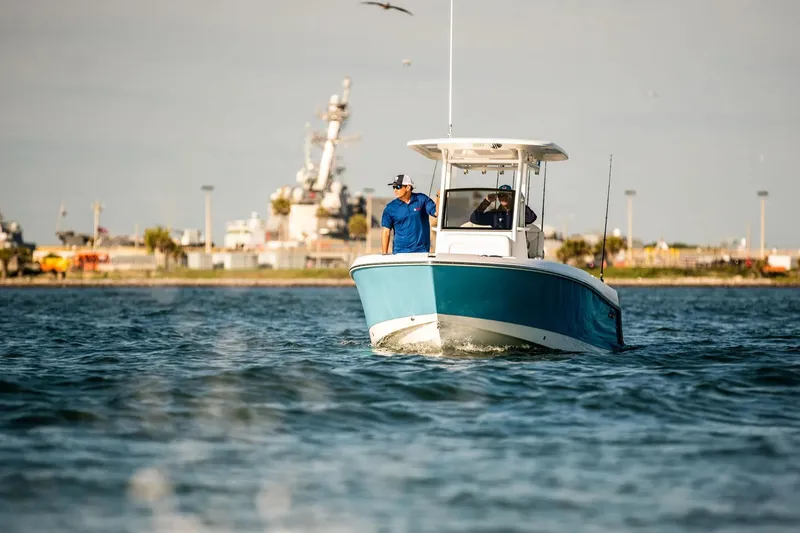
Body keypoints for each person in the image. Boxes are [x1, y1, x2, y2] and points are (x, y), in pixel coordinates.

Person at [381, 174, 439, 254]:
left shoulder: (422, 199)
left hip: (421, 252)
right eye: (393, 187)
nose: (395, 190)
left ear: (408, 187)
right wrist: (384, 254)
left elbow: (436, 212)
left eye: (398, 187)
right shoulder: (390, 208)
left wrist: (439, 196)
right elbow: (386, 232)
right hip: (400, 253)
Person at [469, 184, 537, 229]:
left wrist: (518, 201)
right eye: (500, 195)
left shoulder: (518, 214)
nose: (503, 197)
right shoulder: (495, 214)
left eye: (506, 195)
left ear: (512, 197)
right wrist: (486, 202)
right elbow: (474, 219)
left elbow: (531, 218)